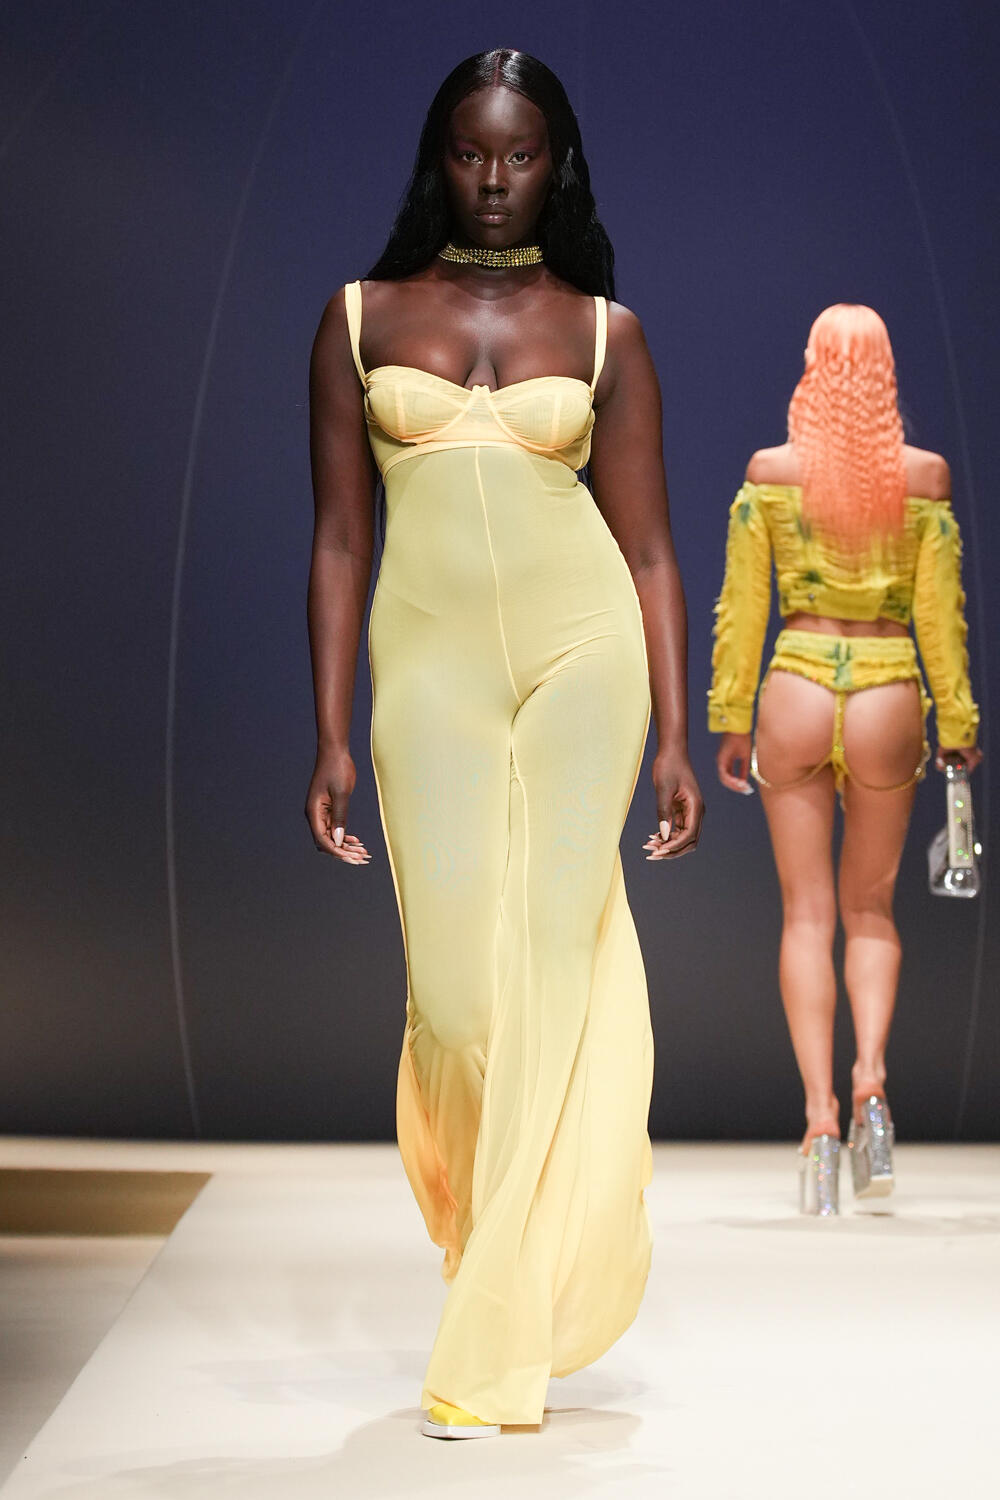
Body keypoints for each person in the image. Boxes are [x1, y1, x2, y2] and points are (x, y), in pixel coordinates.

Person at [305, 49, 702, 1435]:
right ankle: (487, 1229)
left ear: (556, 165)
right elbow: (340, 539)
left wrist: (675, 736)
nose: (493, 179)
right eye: (472, 153)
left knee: (543, 970)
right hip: (428, 673)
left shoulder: (605, 334)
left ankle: (495, 1324)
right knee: (460, 1005)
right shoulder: (358, 318)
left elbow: (648, 551)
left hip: (585, 658)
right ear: (441, 158)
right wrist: (330, 731)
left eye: (521, 155)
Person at [709, 304, 980, 1215]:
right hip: (887, 689)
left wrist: (730, 717)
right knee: (871, 911)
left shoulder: (770, 474)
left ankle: (820, 1125)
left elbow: (743, 607)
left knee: (806, 915)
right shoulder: (924, 479)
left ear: (812, 366)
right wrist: (957, 721)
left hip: (795, 684)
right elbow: (939, 615)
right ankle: (871, 1089)